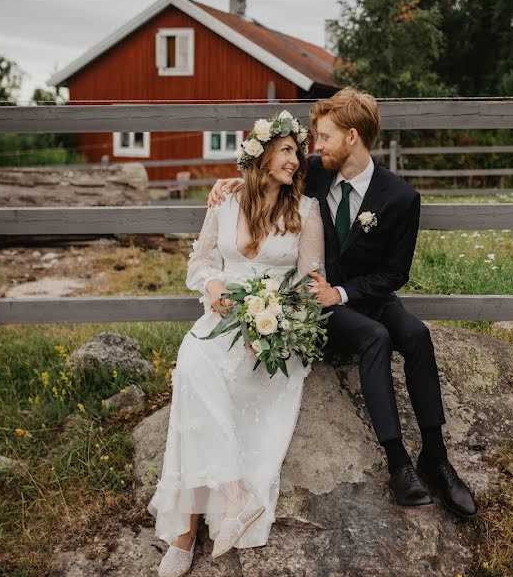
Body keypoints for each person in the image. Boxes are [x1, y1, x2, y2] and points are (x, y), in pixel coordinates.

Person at [208, 88, 477, 518]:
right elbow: (269, 176)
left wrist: (345, 292)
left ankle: (437, 456)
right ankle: (398, 464)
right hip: (320, 303)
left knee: (416, 335)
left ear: (352, 137)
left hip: (367, 294)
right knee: (375, 338)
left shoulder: (401, 198)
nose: (316, 147)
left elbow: (395, 274)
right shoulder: (313, 172)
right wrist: (232, 184)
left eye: (325, 137)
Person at [148, 111, 323, 577]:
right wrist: (211, 288)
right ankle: (234, 496)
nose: (296, 159)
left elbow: (309, 284)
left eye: (297, 152)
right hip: (219, 322)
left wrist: (278, 325)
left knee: (202, 384)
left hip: (270, 334)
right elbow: (200, 264)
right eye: (286, 150)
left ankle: (184, 537)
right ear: (262, 154)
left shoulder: (306, 211)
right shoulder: (224, 201)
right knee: (190, 366)